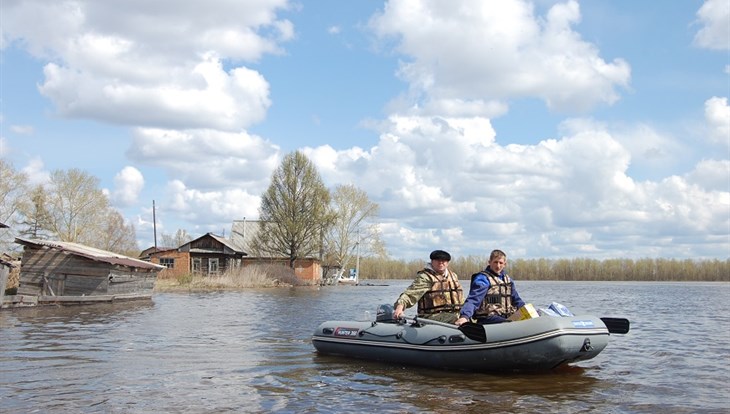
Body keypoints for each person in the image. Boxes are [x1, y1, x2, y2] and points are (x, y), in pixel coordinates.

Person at [392, 249, 464, 324]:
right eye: (437, 260)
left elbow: (460, 298)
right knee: (455, 318)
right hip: (430, 317)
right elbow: (411, 294)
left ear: (447, 263)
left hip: (454, 314)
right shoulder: (425, 276)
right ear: (432, 261)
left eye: (444, 260)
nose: (441, 262)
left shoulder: (453, 276)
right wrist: (400, 306)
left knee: (467, 318)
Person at [455, 249, 525, 325]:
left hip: (506, 317)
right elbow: (473, 299)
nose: (498, 266)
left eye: (501, 263)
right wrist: (464, 316)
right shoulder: (482, 279)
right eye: (495, 262)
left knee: (523, 318)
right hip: (488, 319)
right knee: (509, 323)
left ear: (505, 264)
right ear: (489, 262)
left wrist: (527, 310)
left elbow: (517, 300)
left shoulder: (508, 280)